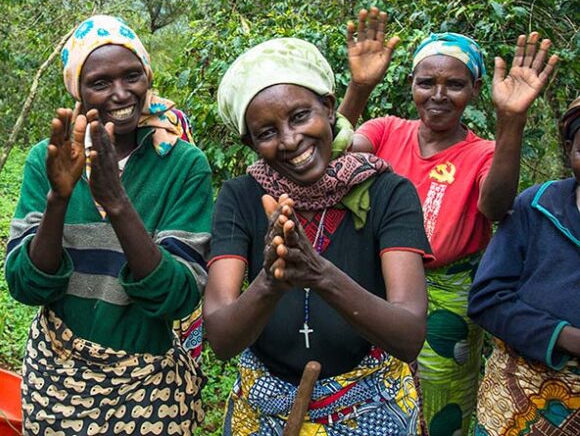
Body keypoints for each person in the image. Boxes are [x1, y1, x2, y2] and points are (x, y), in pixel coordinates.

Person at [205, 37, 432, 435]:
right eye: (266, 132)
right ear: (250, 143)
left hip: (370, 408)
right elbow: (222, 339)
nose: (290, 140)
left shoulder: (387, 192)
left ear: (329, 109)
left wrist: (319, 274)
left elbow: (408, 334)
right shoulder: (240, 198)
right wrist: (270, 281)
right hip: (262, 413)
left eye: (299, 116)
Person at [345, 28, 558, 436]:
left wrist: (511, 121)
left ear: (475, 89)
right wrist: (358, 88)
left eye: (454, 84)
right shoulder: (387, 131)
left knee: (443, 401)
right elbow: (331, 152)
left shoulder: (483, 153)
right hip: (377, 285)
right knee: (372, 392)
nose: (438, 95)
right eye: (427, 82)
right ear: (411, 84)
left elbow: (495, 207)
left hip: (450, 296)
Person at [5, 14, 211, 435]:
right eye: (100, 82)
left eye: (132, 75)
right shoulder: (49, 159)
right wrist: (58, 199)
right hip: (57, 377)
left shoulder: (183, 165)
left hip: (147, 384)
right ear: (77, 91)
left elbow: (178, 296)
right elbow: (25, 285)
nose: (121, 93)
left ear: (147, 75)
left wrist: (117, 202)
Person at [467, 96, 580, 435]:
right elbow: (487, 298)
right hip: (522, 397)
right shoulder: (537, 206)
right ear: (570, 147)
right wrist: (566, 337)